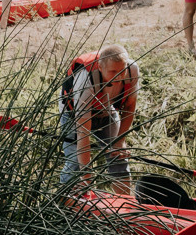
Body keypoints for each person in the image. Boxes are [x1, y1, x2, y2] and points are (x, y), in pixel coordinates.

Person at [59, 43, 139, 197]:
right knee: (76, 163)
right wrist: (86, 177)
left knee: (118, 157)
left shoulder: (132, 70)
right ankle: (66, 203)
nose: (119, 76)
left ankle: (126, 205)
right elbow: (83, 134)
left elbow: (129, 107)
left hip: (106, 110)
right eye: (113, 72)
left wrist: (119, 142)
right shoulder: (85, 78)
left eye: (122, 71)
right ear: (100, 68)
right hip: (73, 114)